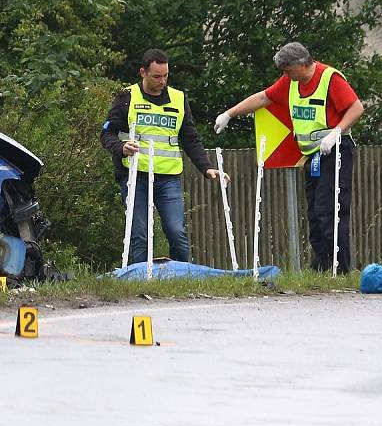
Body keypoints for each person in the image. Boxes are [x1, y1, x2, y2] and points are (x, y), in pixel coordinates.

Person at [214, 42, 364, 274]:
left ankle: (339, 269)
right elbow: (264, 98)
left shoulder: (329, 79)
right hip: (312, 156)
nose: (284, 75)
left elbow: (356, 108)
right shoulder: (291, 82)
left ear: (303, 65)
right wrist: (229, 114)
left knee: (329, 212)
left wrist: (337, 132)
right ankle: (321, 267)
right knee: (315, 213)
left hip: (335, 151)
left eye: (287, 70)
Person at [101, 48, 229, 265]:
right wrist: (120, 147)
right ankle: (138, 279)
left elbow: (190, 139)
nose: (162, 81)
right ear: (143, 72)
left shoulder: (178, 99)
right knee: (139, 233)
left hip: (168, 177)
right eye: (157, 76)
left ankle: (181, 277)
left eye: (166, 76)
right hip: (135, 175)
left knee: (176, 231)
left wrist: (207, 168)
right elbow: (107, 133)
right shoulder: (127, 97)